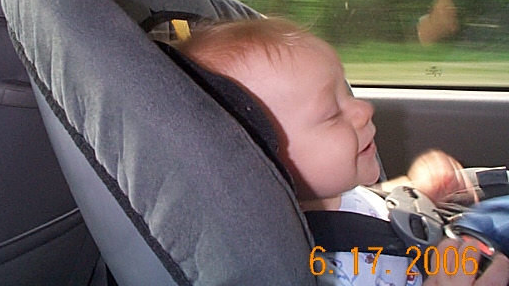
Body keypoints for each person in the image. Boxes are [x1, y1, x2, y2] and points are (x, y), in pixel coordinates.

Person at [176, 17, 509, 286]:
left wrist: (415, 189)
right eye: (332, 113)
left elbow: (365, 206)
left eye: (347, 92)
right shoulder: (319, 266)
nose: (364, 109)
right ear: (262, 160)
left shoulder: (331, 194)